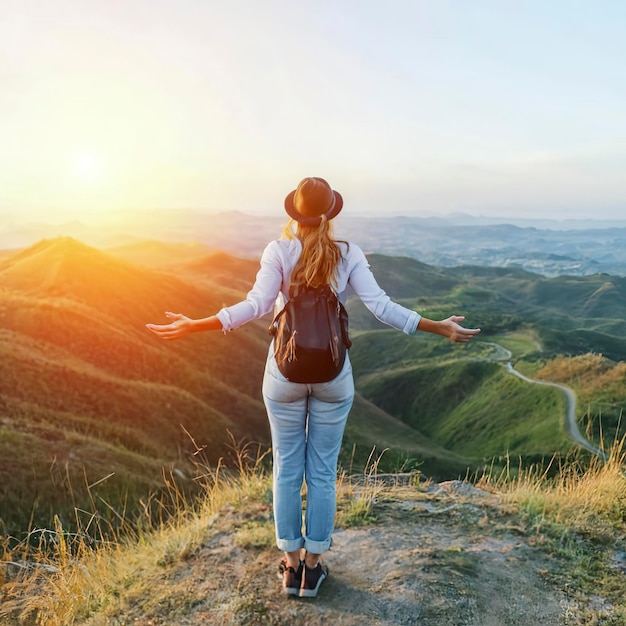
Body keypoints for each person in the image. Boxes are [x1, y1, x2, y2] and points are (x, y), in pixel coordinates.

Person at [146, 177, 481, 598]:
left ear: (295, 214)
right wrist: (439, 328)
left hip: (283, 376)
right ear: (329, 214)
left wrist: (198, 324)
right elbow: (382, 308)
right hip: (333, 376)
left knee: (287, 469)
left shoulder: (279, 251)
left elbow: (255, 306)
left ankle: (289, 567)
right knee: (321, 473)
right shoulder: (348, 254)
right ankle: (312, 569)